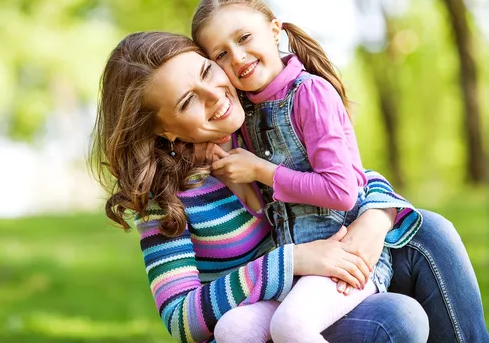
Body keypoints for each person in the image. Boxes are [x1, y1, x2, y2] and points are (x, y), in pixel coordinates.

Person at [92, 31, 488, 342]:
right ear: (161, 128)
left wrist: (378, 216)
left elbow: (344, 175)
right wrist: (292, 261)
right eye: (187, 102)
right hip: (258, 327)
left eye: (207, 71)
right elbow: (181, 320)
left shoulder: (254, 132)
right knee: (397, 318)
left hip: (312, 296)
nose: (215, 96)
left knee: (430, 231)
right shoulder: (165, 200)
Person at [190, 0, 423, 342]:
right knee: (232, 329)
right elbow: (259, 206)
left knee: (290, 326)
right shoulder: (246, 115)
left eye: (244, 37)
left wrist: (259, 170)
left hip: (345, 259)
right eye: (221, 53)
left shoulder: (310, 94)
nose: (237, 57)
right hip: (294, 268)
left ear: (274, 30)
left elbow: (342, 191)